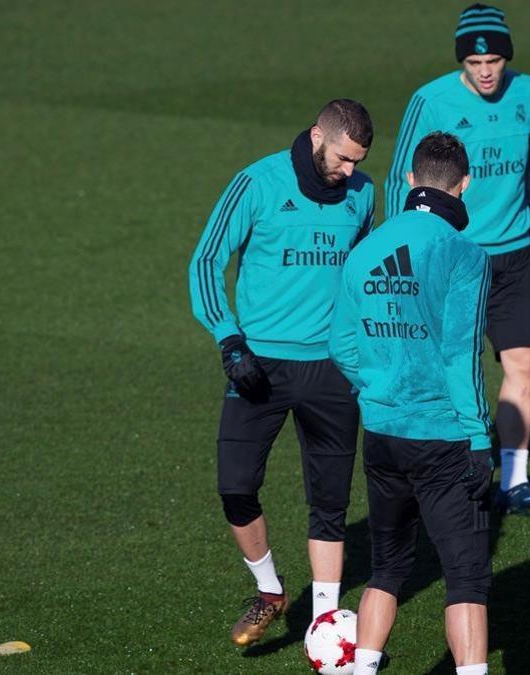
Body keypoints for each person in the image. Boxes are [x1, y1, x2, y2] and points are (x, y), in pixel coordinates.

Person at [188, 99, 375, 645]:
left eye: (358, 161)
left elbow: (363, 275)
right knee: (235, 486)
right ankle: (270, 590)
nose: (350, 171)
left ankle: (323, 621)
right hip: (259, 365)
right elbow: (205, 260)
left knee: (330, 501)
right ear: (318, 135)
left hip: (333, 368)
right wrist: (229, 339)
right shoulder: (257, 183)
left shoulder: (363, 195)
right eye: (342, 158)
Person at [384, 3, 530, 516]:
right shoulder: (430, 101)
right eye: (475, 64)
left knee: (522, 364)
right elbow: (402, 178)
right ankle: (439, 473)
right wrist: (412, 247)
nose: (486, 72)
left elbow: (528, 170)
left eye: (495, 61)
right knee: (446, 369)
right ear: (462, 63)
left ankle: (515, 482)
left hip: (514, 254)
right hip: (455, 258)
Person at [331, 132, 493, 675]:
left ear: (408, 178)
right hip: (442, 436)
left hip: (380, 432)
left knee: (387, 569)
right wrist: (479, 438)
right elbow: (462, 353)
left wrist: (376, 387)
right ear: (464, 184)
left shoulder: (365, 248)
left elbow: (341, 346)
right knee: (466, 576)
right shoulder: (465, 254)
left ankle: (363, 669)